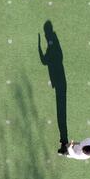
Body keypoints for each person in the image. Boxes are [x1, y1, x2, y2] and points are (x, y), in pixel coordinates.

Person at [38, 21, 69, 155]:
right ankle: (64, 141)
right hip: (59, 82)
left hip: (60, 82)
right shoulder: (53, 44)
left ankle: (65, 141)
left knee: (61, 112)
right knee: (61, 112)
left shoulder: (53, 46)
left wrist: (39, 48)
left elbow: (45, 61)